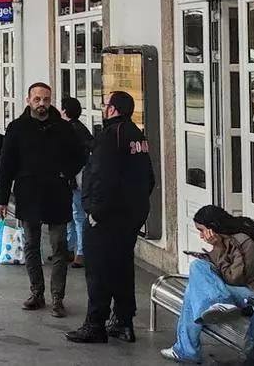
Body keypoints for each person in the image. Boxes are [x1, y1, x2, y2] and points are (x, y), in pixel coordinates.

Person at [66, 91, 157, 345]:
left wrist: (95, 211)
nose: (103, 109)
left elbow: (102, 177)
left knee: (98, 271)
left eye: (105, 105)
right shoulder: (137, 136)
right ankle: (123, 321)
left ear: (113, 109)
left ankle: (95, 324)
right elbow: (149, 177)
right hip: (132, 215)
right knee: (122, 266)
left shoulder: (109, 136)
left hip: (107, 217)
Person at [0, 82, 88, 318]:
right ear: (28, 100)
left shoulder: (63, 128)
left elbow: (80, 155)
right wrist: (1, 198)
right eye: (37, 99)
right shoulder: (17, 128)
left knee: (59, 248)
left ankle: (58, 298)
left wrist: (66, 172)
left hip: (57, 193)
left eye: (46, 99)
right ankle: (36, 292)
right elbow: (6, 165)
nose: (42, 104)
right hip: (29, 193)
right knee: (30, 246)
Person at [159, 206, 254, 363]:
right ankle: (217, 306)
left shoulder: (244, 241)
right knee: (198, 270)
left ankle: (187, 349)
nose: (201, 236)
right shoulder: (230, 237)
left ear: (213, 228)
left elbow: (236, 278)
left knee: (195, 283)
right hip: (249, 287)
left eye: (202, 230)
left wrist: (217, 249)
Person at [62, 96, 95, 268]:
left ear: (65, 111)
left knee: (77, 214)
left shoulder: (72, 129)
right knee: (72, 213)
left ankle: (80, 252)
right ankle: (69, 248)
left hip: (76, 178)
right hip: (75, 177)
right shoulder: (79, 128)